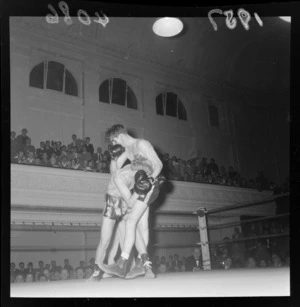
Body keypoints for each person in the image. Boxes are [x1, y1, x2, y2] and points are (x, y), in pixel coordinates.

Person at [99, 124, 164, 278]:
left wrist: (150, 180)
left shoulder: (141, 144)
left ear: (117, 136)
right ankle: (145, 267)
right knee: (140, 226)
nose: (113, 145)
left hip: (150, 185)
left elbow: (159, 164)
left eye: (112, 141)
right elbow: (114, 173)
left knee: (131, 221)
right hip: (141, 186)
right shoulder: (127, 150)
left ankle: (123, 264)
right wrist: (113, 158)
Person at [89, 144, 156, 281]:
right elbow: (131, 201)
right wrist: (138, 190)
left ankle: (146, 265)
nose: (146, 177)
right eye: (146, 175)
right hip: (113, 203)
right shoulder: (121, 176)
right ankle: (96, 272)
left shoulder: (137, 171)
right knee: (105, 240)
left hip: (125, 201)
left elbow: (128, 152)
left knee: (134, 228)